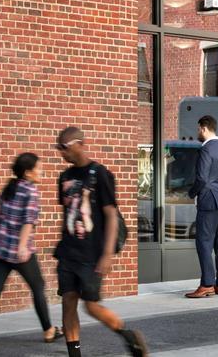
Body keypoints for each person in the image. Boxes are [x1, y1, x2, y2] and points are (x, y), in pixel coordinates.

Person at [54, 126, 148, 357]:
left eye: (63, 147)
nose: (61, 152)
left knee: (92, 306)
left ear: (80, 144)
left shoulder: (100, 174)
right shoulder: (64, 177)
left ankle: (128, 335)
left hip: (92, 254)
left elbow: (110, 215)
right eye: (58, 148)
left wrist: (107, 254)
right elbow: (66, 213)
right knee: (68, 303)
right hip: (68, 252)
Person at [0, 153, 63, 347]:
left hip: (0, 248)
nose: (41, 171)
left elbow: (3, 216)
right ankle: (48, 331)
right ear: (28, 173)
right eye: (38, 168)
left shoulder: (9, 188)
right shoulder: (31, 191)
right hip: (20, 251)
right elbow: (28, 221)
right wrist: (21, 247)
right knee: (37, 287)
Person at [184, 115, 218, 298]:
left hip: (208, 200)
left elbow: (202, 178)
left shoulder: (206, 150)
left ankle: (207, 284)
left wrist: (191, 193)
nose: (198, 133)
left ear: (204, 128)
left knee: (203, 242)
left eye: (198, 129)